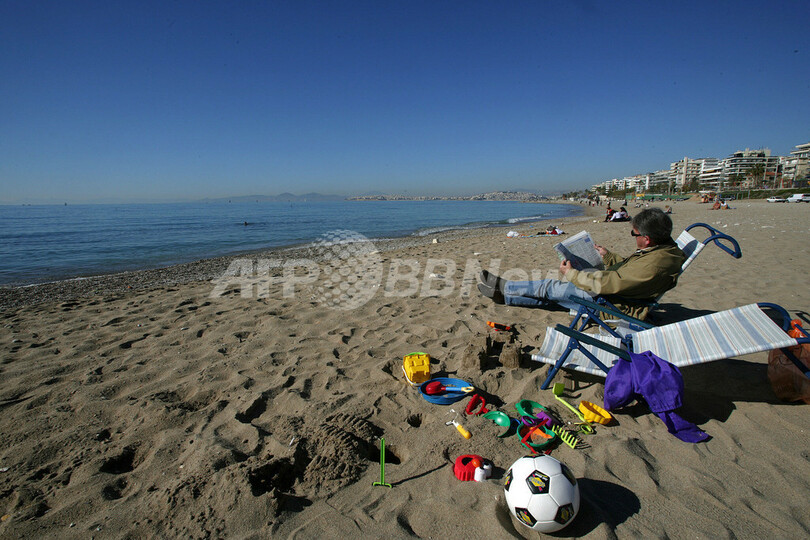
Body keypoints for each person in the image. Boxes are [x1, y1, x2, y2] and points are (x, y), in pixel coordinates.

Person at [477, 208, 686, 320]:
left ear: (647, 239)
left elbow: (611, 283)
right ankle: (505, 297)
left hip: (612, 303)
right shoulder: (662, 252)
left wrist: (572, 274)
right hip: (618, 296)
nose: (634, 237)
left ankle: (505, 286)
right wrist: (608, 256)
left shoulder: (655, 264)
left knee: (550, 287)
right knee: (555, 300)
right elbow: (630, 273)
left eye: (635, 234)